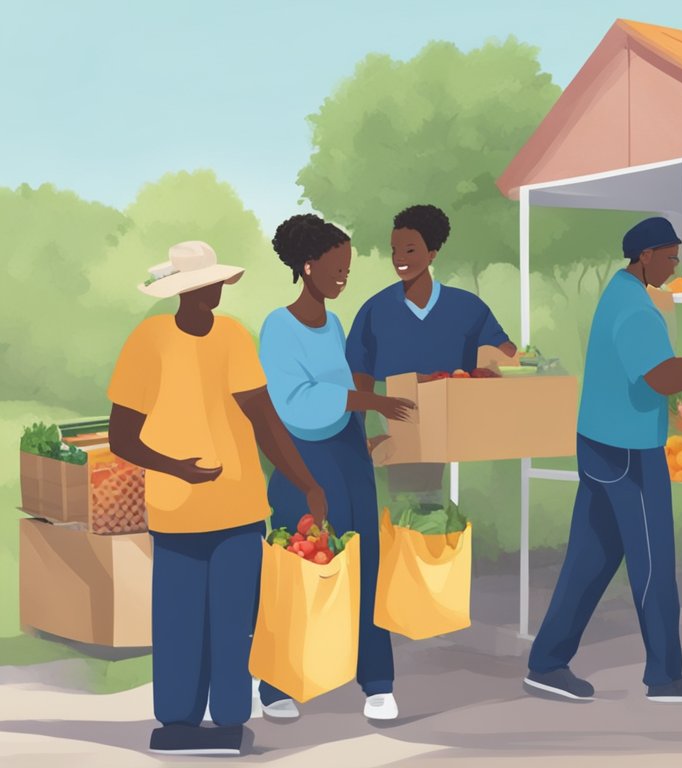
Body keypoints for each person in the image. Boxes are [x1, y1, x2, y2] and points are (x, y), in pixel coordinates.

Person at [525, 217, 682, 703]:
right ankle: (665, 677)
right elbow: (661, 378)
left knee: (588, 561)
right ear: (646, 255)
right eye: (671, 257)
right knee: (653, 562)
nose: (675, 266)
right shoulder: (636, 309)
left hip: (596, 444)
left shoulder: (617, 292)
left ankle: (547, 663)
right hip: (629, 451)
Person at [108, 241, 326, 756]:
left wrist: (307, 482)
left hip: (240, 510)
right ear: (185, 290)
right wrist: (174, 468)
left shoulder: (233, 337)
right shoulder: (150, 341)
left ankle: (229, 720)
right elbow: (122, 435)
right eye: (207, 283)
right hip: (178, 513)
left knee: (232, 623)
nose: (217, 290)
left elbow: (264, 419)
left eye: (217, 282)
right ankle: (178, 724)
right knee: (180, 622)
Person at [255, 215, 417, 722]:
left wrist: (364, 436)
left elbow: (336, 399)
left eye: (348, 269)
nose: (345, 278)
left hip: (346, 452)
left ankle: (376, 680)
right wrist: (366, 399)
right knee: (300, 563)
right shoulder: (278, 327)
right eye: (337, 269)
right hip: (301, 457)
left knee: (363, 561)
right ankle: (278, 684)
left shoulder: (335, 324)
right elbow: (293, 402)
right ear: (307, 267)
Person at [347, 204, 517, 499]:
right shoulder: (376, 310)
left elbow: (504, 351)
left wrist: (498, 361)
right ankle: (418, 534)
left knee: (454, 492)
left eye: (410, 250)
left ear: (432, 253)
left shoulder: (466, 307)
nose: (399, 259)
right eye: (394, 250)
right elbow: (358, 370)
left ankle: (440, 534)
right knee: (414, 492)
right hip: (399, 408)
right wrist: (358, 430)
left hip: (458, 409)